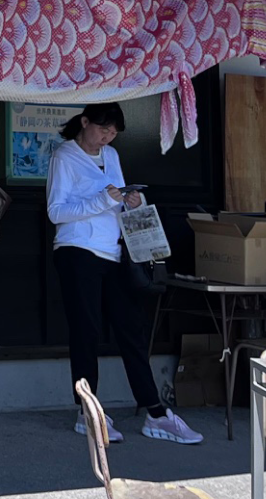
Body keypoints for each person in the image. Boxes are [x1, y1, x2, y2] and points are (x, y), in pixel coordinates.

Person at [48, 102, 203, 445]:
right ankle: (88, 411)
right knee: (86, 331)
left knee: (131, 329)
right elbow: (56, 212)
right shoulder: (64, 156)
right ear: (84, 122)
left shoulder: (112, 155)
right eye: (103, 129)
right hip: (77, 251)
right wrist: (104, 201)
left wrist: (131, 202)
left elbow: (115, 201)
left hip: (114, 251)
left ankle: (155, 413)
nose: (107, 137)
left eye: (113, 133)